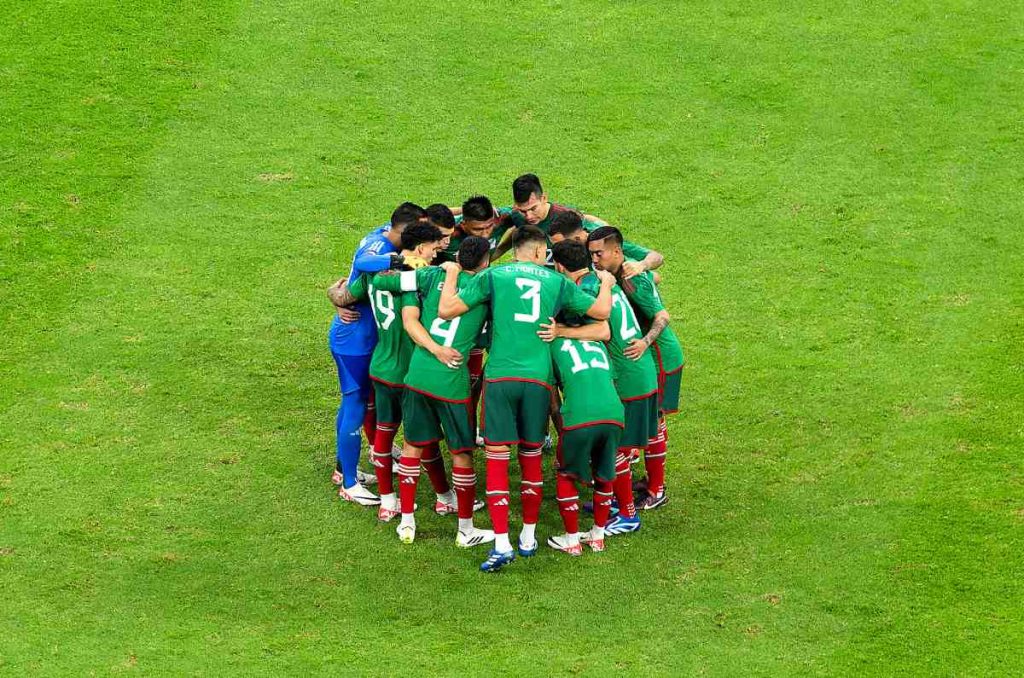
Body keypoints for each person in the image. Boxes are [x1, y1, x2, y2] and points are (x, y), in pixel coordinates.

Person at [438, 226, 615, 572]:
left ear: (517, 249)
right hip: (537, 380)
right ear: (538, 253)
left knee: (497, 457)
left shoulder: (493, 275)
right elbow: (601, 313)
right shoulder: (557, 282)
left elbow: (446, 310)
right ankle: (529, 537)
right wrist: (606, 284)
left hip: (501, 377)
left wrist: (452, 272)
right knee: (531, 454)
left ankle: (502, 543)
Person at [368, 236, 495, 547]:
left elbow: (385, 283)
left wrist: (408, 268)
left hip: (417, 376)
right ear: (484, 262)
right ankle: (465, 530)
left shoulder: (430, 275)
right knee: (462, 453)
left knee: (412, 446)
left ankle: (407, 523)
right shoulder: (486, 290)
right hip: (451, 383)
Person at [546, 239, 659, 535]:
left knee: (616, 450)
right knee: (613, 445)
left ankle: (627, 514)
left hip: (628, 375)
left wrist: (559, 330)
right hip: (636, 370)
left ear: (559, 266)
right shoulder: (600, 280)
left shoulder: (585, 290)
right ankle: (610, 503)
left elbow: (601, 329)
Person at [325, 202, 427, 504]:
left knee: (356, 402)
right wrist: (400, 259)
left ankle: (343, 468)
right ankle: (350, 483)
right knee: (354, 403)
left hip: (363, 336)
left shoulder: (386, 230)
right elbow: (364, 262)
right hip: (354, 339)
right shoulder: (380, 249)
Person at [588, 226, 683, 510]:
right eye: (591, 253)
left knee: (655, 421)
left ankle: (657, 489)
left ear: (617, 251)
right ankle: (644, 481)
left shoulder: (632, 280)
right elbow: (657, 273)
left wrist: (644, 342)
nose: (594, 259)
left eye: (598, 253)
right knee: (647, 419)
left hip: (659, 355)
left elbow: (662, 315)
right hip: (644, 358)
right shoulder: (616, 273)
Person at [546, 335, 623, 556]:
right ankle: (598, 536)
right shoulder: (596, 340)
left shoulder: (551, 345)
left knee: (566, 473)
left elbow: (553, 402)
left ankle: (571, 540)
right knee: (605, 473)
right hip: (614, 414)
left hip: (579, 417)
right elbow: (611, 380)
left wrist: (562, 433)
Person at [547, 210, 664, 279]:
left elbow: (657, 257)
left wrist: (641, 265)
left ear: (577, 239)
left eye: (559, 245)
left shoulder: (604, 240)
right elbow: (586, 217)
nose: (556, 250)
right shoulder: (579, 231)